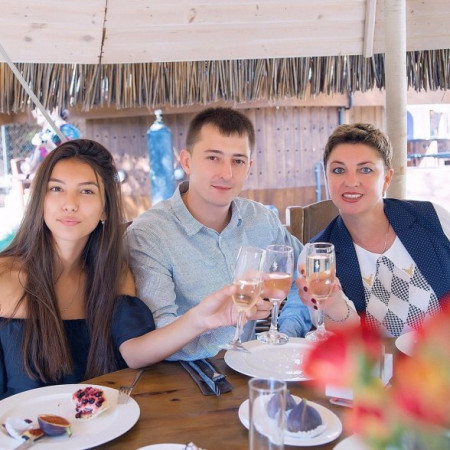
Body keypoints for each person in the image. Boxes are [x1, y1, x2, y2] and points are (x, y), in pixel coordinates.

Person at [0, 139, 254, 399]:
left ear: (105, 208)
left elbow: (135, 352)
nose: (70, 204)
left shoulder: (113, 275)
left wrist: (200, 319)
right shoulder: (5, 277)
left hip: (102, 420)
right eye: (56, 189)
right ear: (39, 200)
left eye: (87, 191)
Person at [126, 107, 311, 360]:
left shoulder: (261, 220)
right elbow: (159, 332)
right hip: (181, 375)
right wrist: (212, 328)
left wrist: (284, 334)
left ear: (249, 167)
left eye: (238, 161)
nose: (227, 174)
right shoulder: (150, 233)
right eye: (213, 158)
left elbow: (304, 278)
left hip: (253, 365)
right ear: (187, 161)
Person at [286, 123, 450, 337]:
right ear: (326, 178)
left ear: (387, 178)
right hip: (375, 359)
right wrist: (333, 303)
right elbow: (348, 343)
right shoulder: (316, 256)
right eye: (338, 170)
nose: (351, 181)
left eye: (365, 170)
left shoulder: (433, 219)